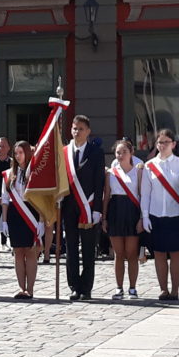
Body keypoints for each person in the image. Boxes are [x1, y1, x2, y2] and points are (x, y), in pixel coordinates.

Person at [141, 130, 179, 301]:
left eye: (166, 142)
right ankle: (163, 289)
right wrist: (145, 216)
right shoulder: (149, 165)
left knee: (176, 253)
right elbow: (145, 193)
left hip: (176, 214)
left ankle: (175, 290)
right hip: (156, 214)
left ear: (174, 144)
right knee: (159, 254)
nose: (162, 146)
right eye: (160, 143)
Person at [63, 115, 105, 301]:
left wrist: (97, 209)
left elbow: (99, 181)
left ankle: (86, 287)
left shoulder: (96, 152)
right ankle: (74, 286)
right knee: (71, 248)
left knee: (88, 249)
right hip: (69, 207)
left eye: (80, 128)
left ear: (88, 131)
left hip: (88, 206)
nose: (76, 132)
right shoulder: (64, 152)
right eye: (74, 128)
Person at [0, 140, 42, 299]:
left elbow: (40, 198)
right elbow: (5, 199)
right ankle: (21, 287)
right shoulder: (8, 174)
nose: (18, 156)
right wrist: (4, 221)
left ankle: (30, 289)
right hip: (14, 214)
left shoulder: (35, 172)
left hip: (31, 212)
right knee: (18, 252)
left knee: (31, 251)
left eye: (21, 152)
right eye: (16, 153)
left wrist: (41, 221)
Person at [102, 139, 143, 299]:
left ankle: (132, 288)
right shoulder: (110, 173)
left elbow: (141, 195)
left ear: (131, 153)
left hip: (132, 212)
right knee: (118, 253)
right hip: (115, 212)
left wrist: (141, 218)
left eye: (124, 152)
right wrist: (104, 218)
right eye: (118, 152)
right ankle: (119, 288)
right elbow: (106, 197)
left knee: (132, 253)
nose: (121, 155)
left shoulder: (138, 171)